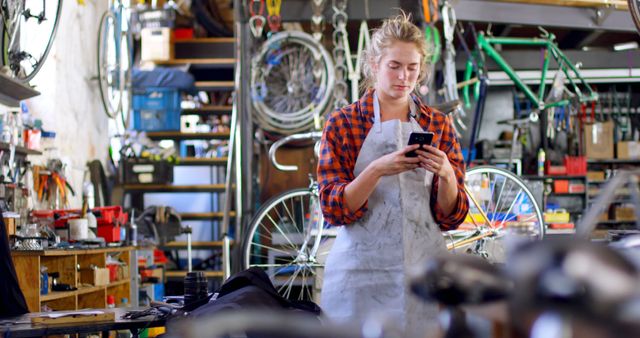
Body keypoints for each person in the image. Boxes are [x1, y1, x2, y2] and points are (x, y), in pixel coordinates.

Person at [317, 12, 469, 336]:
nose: (404, 77)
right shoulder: (343, 124)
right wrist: (375, 170)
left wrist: (446, 174)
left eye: (412, 68)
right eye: (394, 66)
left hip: (423, 274)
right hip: (360, 276)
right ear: (374, 65)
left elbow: (449, 216)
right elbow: (333, 208)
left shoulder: (437, 125)